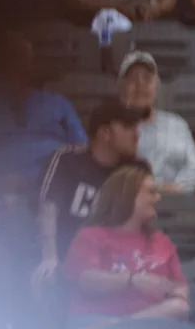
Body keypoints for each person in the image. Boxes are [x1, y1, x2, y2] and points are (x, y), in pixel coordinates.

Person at [62, 163, 190, 329]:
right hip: (93, 323)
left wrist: (122, 325)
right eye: (151, 192)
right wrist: (133, 280)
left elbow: (181, 297)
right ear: (129, 195)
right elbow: (86, 280)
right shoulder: (91, 236)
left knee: (179, 307)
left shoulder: (162, 242)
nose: (158, 197)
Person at [31, 102, 142, 290]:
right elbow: (48, 208)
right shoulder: (67, 159)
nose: (136, 134)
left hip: (112, 265)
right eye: (127, 127)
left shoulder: (133, 171)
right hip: (64, 257)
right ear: (105, 133)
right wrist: (49, 257)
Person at [0, 31, 87, 197]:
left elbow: (81, 149)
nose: (18, 71)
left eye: (23, 64)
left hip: (52, 185)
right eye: (11, 63)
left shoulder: (58, 104)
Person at [117, 50, 195, 193]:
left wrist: (176, 190)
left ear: (156, 87)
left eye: (147, 79)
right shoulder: (114, 128)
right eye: (133, 79)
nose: (140, 85)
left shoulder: (177, 124)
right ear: (121, 87)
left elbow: (194, 167)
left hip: (176, 201)